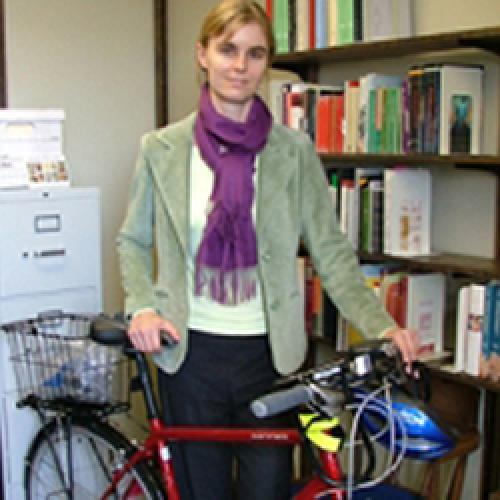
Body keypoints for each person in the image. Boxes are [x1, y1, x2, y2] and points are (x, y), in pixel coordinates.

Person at [117, 1, 419, 498]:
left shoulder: (292, 151)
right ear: (203, 55)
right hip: (189, 356)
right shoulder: (162, 149)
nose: (241, 66)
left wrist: (382, 325)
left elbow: (331, 249)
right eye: (228, 50)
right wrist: (143, 307)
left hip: (271, 359)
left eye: (255, 53)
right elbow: (132, 239)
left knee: (268, 491)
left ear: (267, 63)